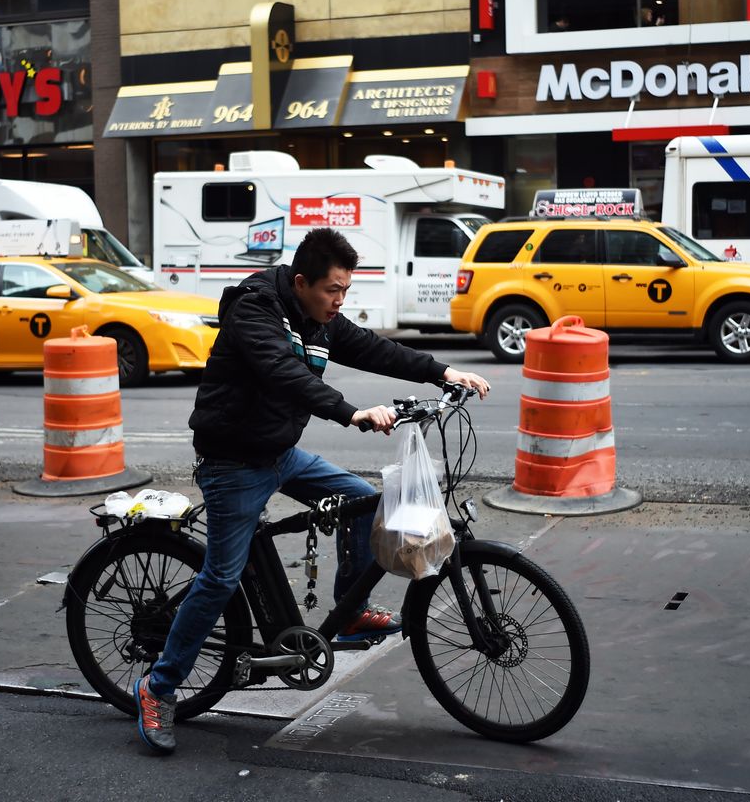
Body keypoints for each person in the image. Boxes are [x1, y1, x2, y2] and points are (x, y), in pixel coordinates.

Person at [132, 227, 492, 753]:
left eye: (346, 291)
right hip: (233, 462)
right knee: (221, 578)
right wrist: (351, 412)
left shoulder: (318, 315)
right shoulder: (255, 310)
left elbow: (372, 348)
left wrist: (442, 371)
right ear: (302, 282)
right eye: (332, 291)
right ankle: (158, 688)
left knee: (368, 505)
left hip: (281, 454)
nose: (339, 302)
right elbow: (282, 373)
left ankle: (347, 615)